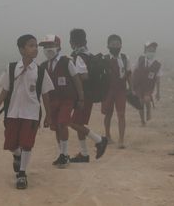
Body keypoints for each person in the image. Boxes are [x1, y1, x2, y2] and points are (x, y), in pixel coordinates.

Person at [0, 34, 54, 189]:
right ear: (21, 49)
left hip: (31, 113)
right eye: (31, 45)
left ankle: (22, 174)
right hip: (12, 112)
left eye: (35, 46)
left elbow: (45, 95)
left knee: (27, 143)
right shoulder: (11, 68)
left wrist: (48, 115)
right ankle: (17, 156)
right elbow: (5, 89)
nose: (35, 49)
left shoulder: (40, 71)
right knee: (11, 143)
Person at [39, 34, 85, 168]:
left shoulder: (66, 62)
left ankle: (65, 155)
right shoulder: (43, 66)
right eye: (46, 47)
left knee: (62, 123)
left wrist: (81, 98)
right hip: (53, 101)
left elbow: (76, 80)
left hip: (67, 99)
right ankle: (61, 154)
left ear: (58, 47)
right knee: (56, 128)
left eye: (51, 46)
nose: (48, 49)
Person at [69, 28, 108, 163]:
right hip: (89, 94)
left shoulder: (79, 56)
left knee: (72, 123)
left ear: (72, 42)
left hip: (83, 95)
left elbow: (84, 76)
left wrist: (75, 81)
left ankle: (99, 140)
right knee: (79, 123)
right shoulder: (88, 54)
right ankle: (84, 154)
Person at [102, 34, 131, 149]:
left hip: (121, 90)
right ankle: (108, 136)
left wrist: (131, 88)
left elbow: (128, 74)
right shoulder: (104, 59)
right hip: (108, 90)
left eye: (117, 44)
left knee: (121, 114)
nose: (115, 46)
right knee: (108, 114)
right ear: (108, 46)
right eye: (113, 44)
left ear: (121, 45)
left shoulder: (125, 58)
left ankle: (121, 140)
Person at [132, 42, 162, 126]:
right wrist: (132, 87)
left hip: (149, 87)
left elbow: (158, 79)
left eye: (153, 50)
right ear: (145, 51)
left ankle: (149, 110)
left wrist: (158, 92)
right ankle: (142, 121)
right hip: (139, 85)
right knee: (140, 103)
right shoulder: (140, 60)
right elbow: (134, 72)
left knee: (147, 99)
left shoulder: (157, 65)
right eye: (149, 50)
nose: (151, 52)